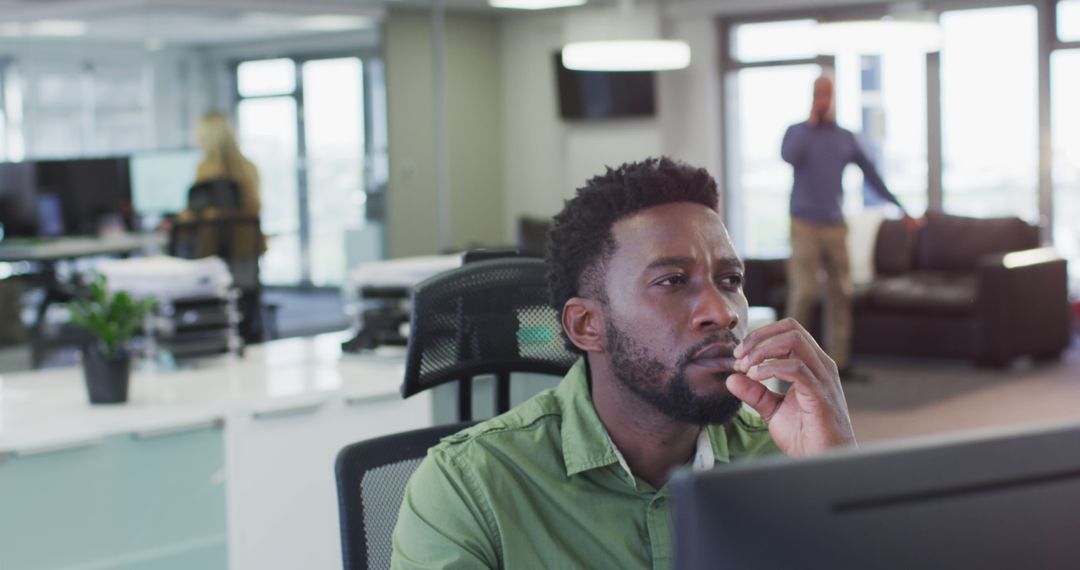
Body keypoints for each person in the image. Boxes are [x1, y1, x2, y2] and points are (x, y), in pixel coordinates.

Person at [391, 157, 856, 569]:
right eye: (673, 281)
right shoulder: (468, 489)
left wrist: (839, 482)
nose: (724, 312)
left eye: (730, 279)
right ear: (587, 326)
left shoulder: (786, 459)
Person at [781, 74, 915, 379]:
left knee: (841, 291)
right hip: (804, 223)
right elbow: (789, 156)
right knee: (805, 291)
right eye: (819, 94)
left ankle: (838, 363)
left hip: (835, 224)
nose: (824, 99)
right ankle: (790, 363)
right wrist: (811, 122)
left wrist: (901, 208)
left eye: (828, 94)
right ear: (813, 96)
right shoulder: (798, 132)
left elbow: (873, 175)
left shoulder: (845, 137)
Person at [193, 110, 261, 218]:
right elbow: (256, 207)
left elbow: (202, 212)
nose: (197, 140)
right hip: (248, 234)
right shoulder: (250, 167)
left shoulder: (204, 168)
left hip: (217, 233)